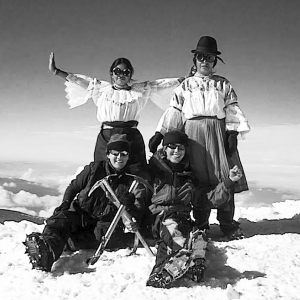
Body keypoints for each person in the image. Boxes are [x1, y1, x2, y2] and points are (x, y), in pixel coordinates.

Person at [148, 36, 250, 240]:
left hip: (218, 132)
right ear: (195, 60)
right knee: (198, 177)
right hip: (192, 135)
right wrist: (160, 133)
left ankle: (227, 223)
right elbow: (175, 111)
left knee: (224, 175)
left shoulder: (223, 84)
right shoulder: (185, 86)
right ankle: (201, 223)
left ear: (214, 61)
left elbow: (232, 108)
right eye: (201, 57)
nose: (205, 61)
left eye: (210, 58)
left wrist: (232, 132)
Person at [24, 134, 150, 272]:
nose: (119, 157)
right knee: (60, 221)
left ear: (128, 156)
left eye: (124, 153)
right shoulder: (93, 170)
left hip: (105, 223)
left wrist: (129, 205)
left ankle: (57, 244)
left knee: (101, 237)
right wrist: (65, 204)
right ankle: (46, 252)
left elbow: (135, 214)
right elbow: (73, 188)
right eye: (115, 153)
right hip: (82, 213)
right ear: (108, 154)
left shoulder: (133, 182)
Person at [49, 52, 185, 168]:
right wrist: (57, 71)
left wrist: (184, 79)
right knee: (102, 170)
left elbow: (162, 84)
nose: (121, 75)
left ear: (130, 74)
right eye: (117, 71)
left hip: (131, 136)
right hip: (107, 136)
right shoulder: (101, 89)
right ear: (112, 74)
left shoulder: (140, 90)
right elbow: (78, 80)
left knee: (136, 170)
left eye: (126, 72)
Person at [146, 130, 243, 288]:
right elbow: (139, 192)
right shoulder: (153, 171)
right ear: (164, 149)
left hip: (182, 217)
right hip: (160, 217)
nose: (177, 151)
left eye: (181, 148)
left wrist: (229, 182)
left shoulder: (189, 176)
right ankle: (160, 272)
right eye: (172, 147)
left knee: (199, 236)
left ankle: (195, 264)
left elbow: (207, 199)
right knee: (174, 235)